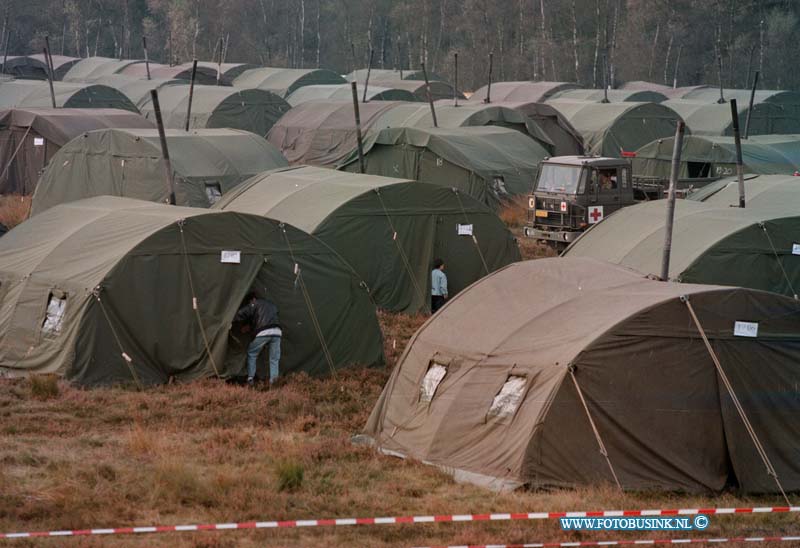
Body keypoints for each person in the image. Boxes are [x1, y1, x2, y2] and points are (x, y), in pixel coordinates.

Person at [233, 292, 281, 386]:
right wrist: (250, 327)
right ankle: (274, 382)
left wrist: (231, 320)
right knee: (274, 359)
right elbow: (264, 318)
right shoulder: (272, 305)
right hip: (277, 331)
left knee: (252, 353)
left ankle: (250, 379)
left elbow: (242, 313)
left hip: (265, 332)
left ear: (252, 300)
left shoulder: (255, 303)